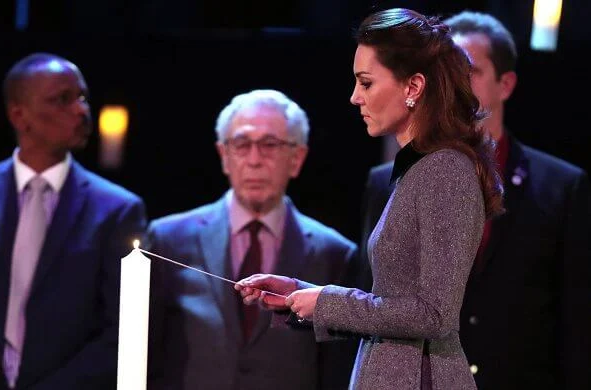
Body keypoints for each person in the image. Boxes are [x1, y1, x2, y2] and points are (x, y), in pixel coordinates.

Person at [236, 8, 504, 389]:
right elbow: (391, 306)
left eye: (366, 83)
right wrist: (303, 295)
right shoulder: (418, 169)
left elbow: (434, 314)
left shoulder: (446, 171)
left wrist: (326, 301)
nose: (354, 97)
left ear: (412, 87)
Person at [359, 10, 591, 390]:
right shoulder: (385, 180)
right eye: (448, 69)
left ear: (506, 83)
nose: (455, 82)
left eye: (470, 69)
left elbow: (576, 320)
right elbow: (374, 288)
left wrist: (321, 301)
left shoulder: (561, 187)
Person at [145, 89, 358, 389]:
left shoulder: (336, 254)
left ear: (296, 158)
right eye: (242, 144)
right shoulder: (168, 239)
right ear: (224, 156)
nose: (254, 160)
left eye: (270, 145)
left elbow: (336, 369)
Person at [0, 53, 147, 389]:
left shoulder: (116, 210)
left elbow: (121, 332)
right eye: (62, 100)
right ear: (19, 115)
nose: (81, 111)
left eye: (82, 98)